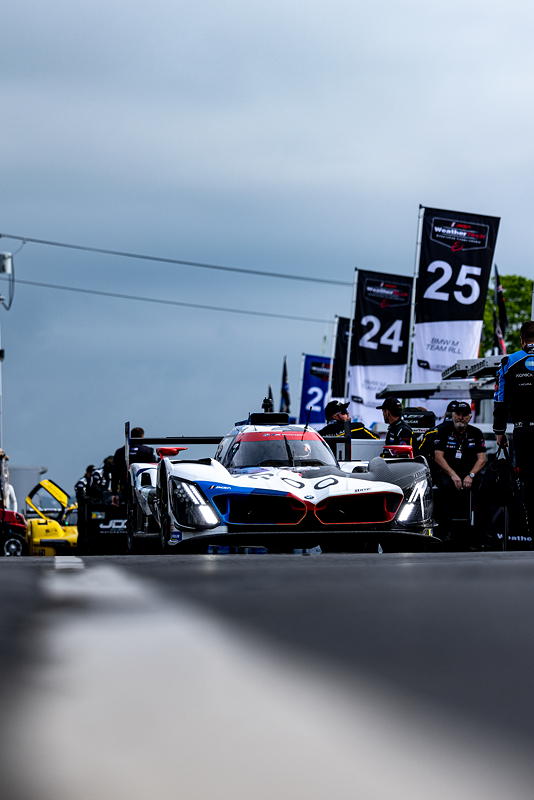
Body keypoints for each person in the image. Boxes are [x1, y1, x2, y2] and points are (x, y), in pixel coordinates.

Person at [493, 320, 534, 534]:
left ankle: (529, 523)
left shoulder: (509, 362)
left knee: (526, 478)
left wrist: (499, 432)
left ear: (521, 340)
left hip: (523, 431)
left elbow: (499, 400)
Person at [433, 401, 487, 545]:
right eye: (458, 414)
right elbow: (438, 456)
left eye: (464, 415)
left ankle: (478, 533)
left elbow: (482, 459)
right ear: (453, 415)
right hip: (448, 473)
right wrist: (453, 475)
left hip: (469, 474)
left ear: (470, 417)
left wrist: (471, 475)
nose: (461, 417)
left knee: (483, 489)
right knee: (444, 487)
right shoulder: (443, 430)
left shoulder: (476, 433)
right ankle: (445, 532)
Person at [111, 426, 154, 503]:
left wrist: (114, 492)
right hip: (143, 487)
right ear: (142, 436)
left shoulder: (120, 451)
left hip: (125, 486)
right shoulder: (148, 451)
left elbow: (115, 473)